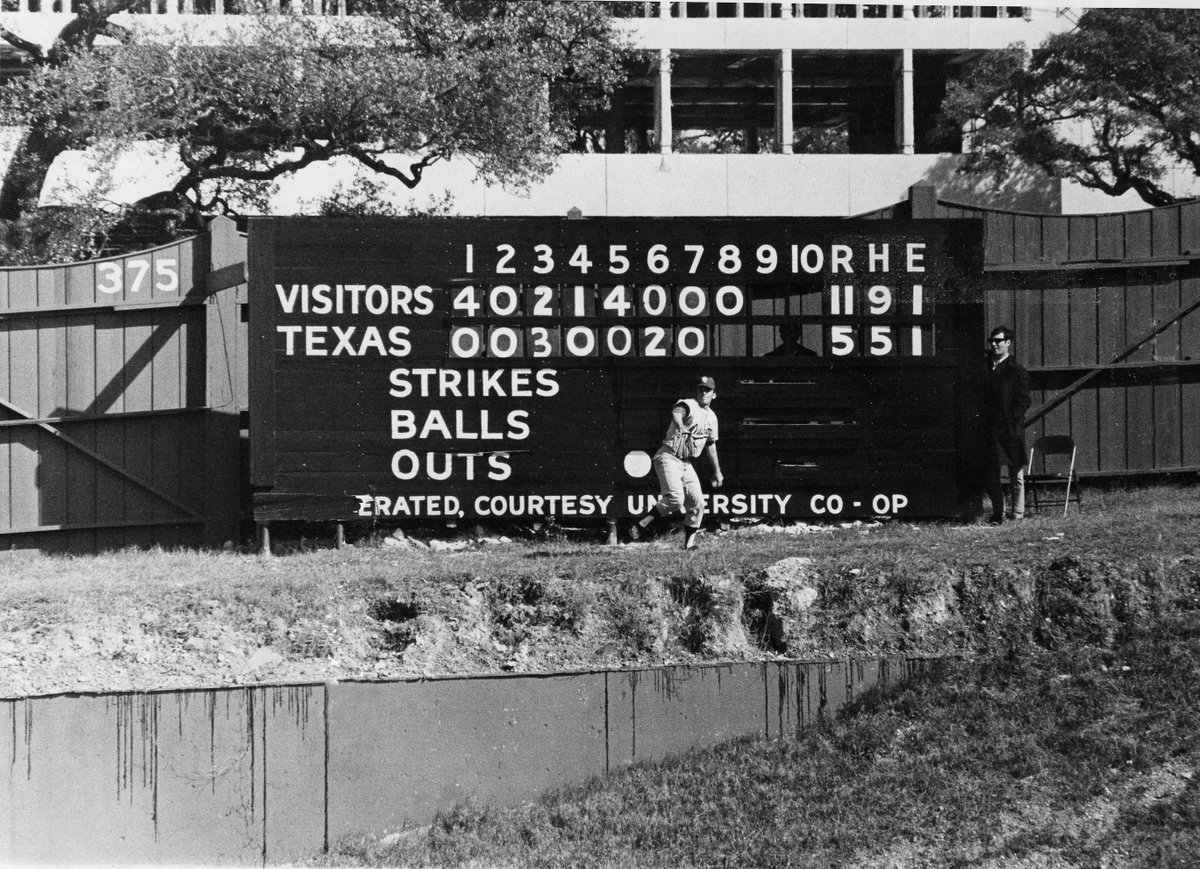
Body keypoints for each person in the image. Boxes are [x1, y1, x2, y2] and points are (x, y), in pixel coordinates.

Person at [631, 375, 724, 549]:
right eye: (701, 389)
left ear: (714, 394)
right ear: (696, 392)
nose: (704, 392)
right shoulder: (690, 404)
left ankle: (688, 546)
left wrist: (717, 471)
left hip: (686, 463)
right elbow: (677, 412)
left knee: (698, 504)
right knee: (675, 499)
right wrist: (680, 425)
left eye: (707, 390)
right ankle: (641, 523)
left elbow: (711, 445)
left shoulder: (712, 417)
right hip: (668, 456)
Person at [983, 325, 1030, 524]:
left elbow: (1024, 400)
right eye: (991, 341)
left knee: (1015, 474)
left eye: (998, 341)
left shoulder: (1016, 371)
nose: (994, 344)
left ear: (1008, 343)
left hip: (1010, 431)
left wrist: (1012, 420)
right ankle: (998, 513)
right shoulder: (984, 368)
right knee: (991, 474)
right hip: (989, 430)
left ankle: (1018, 513)